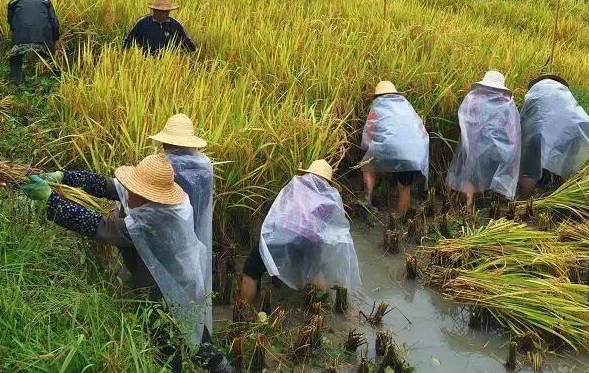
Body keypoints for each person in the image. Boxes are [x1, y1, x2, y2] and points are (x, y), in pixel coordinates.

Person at [20, 153, 231, 373]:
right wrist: (63, 176)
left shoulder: (156, 220)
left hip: (168, 290)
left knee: (174, 345)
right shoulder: (156, 201)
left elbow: (102, 227)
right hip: (176, 278)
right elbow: (107, 185)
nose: (127, 191)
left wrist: (51, 199)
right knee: (194, 337)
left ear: (151, 196)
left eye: (134, 189)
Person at [240, 160, 360, 305]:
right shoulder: (330, 199)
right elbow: (330, 229)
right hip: (309, 243)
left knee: (252, 269)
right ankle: (320, 310)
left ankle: (244, 308)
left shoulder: (295, 187)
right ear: (327, 182)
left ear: (308, 174)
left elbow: (276, 214)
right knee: (315, 273)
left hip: (282, 235)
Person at [150, 113, 214, 332]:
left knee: (166, 293)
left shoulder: (167, 168)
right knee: (190, 291)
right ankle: (197, 340)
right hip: (195, 238)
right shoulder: (204, 167)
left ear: (166, 142)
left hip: (169, 241)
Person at [445, 70, 522, 211]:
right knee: (494, 175)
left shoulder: (472, 98)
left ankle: (467, 209)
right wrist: (509, 154)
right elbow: (512, 132)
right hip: (500, 149)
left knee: (469, 177)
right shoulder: (508, 103)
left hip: (475, 145)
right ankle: (492, 209)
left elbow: (464, 121)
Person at [518, 75, 589, 200]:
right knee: (566, 162)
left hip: (538, 133)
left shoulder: (537, 90)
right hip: (571, 131)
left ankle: (523, 201)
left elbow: (525, 120)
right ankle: (562, 194)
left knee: (529, 168)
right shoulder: (564, 94)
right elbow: (576, 118)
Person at [359, 80, 429, 214]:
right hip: (413, 151)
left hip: (389, 147)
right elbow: (422, 131)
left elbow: (368, 135)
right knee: (404, 187)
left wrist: (368, 150)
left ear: (377, 96)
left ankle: (367, 201)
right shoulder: (407, 107)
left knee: (367, 166)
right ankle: (400, 221)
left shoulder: (377, 107)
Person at [6, 0, 60, 84]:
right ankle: (54, 80)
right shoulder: (45, 0)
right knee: (48, 57)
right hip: (43, 36)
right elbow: (54, 21)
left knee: (16, 59)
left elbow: (10, 19)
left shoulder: (15, 0)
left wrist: (15, 31)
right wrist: (56, 38)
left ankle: (16, 84)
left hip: (20, 35)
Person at [123, 0, 196, 55]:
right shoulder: (142, 23)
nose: (165, 13)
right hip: (146, 62)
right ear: (154, 10)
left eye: (167, 11)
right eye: (161, 11)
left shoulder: (175, 25)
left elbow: (189, 46)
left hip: (169, 63)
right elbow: (127, 41)